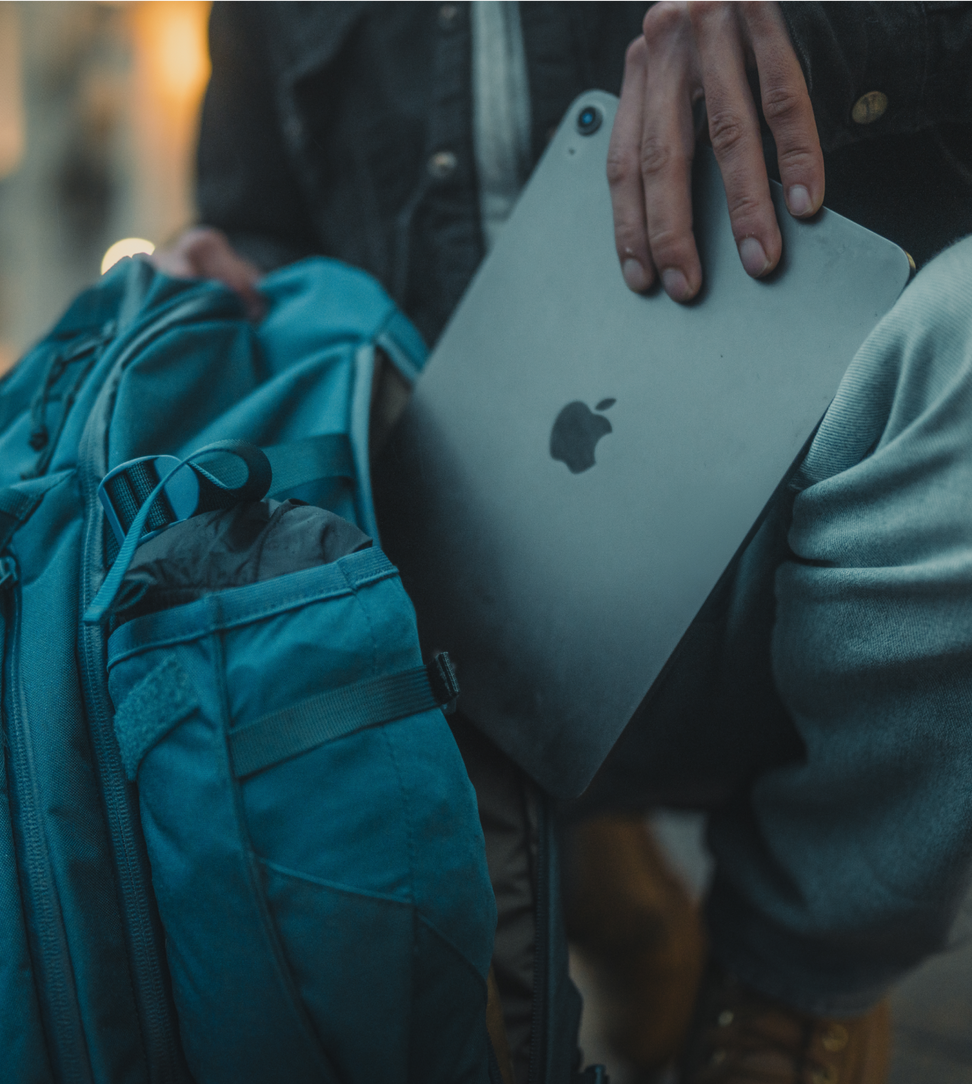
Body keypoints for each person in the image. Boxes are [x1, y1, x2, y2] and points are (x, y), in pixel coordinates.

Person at [155, 1, 972, 1081]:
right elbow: (258, 225)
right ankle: (589, 873)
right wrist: (219, 272)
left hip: (799, 548)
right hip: (455, 600)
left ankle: (784, 986)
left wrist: (822, 26)